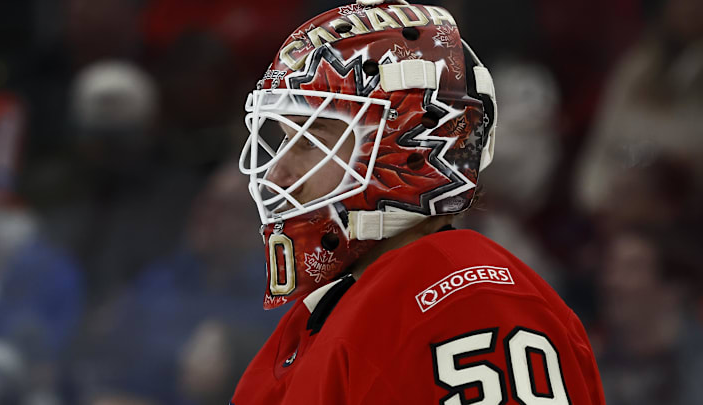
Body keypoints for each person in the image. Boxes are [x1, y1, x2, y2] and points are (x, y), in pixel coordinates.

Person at [234, 1, 605, 404]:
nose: (277, 174)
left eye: (312, 140)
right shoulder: (327, 309)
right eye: (286, 140)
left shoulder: (467, 304)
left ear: (410, 146)